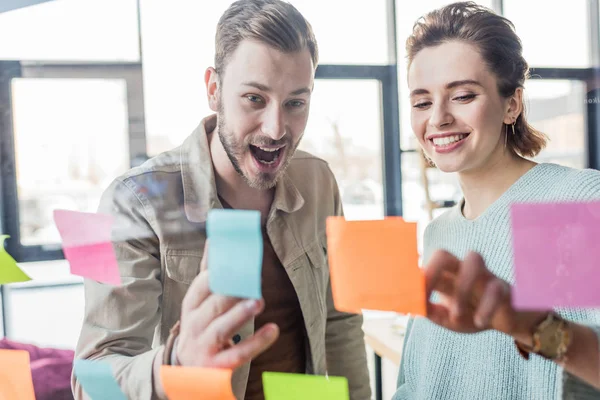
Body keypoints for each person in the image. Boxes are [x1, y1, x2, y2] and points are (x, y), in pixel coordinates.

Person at [71, 1, 371, 399]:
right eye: (254, 98)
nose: (276, 128)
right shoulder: (130, 202)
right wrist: (175, 362)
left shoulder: (319, 181)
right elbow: (90, 380)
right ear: (214, 90)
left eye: (296, 103)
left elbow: (340, 321)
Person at [394, 2, 600, 399]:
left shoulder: (568, 206)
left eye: (463, 95)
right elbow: (415, 381)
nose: (437, 118)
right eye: (421, 102)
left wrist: (532, 326)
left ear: (512, 105)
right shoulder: (441, 232)